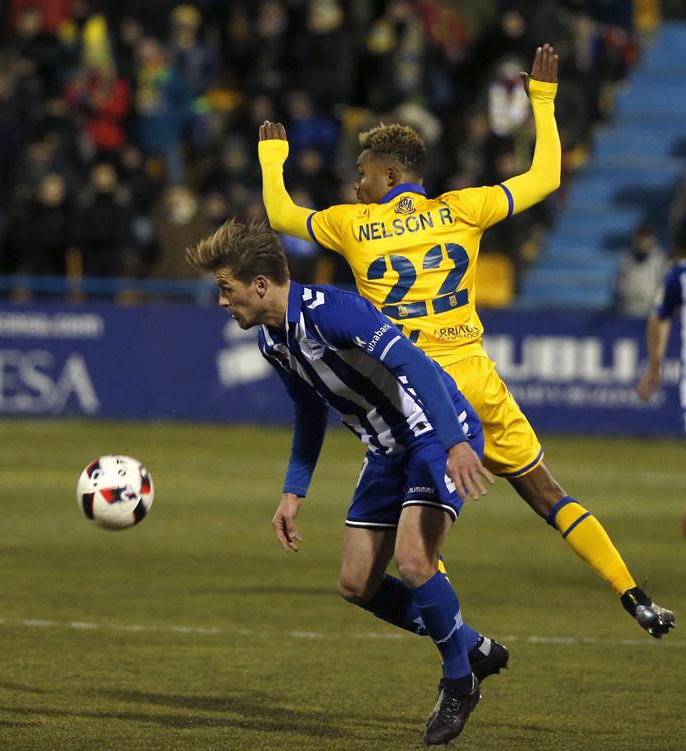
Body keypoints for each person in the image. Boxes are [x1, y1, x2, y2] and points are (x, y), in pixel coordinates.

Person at [257, 44, 676, 638]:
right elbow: (548, 176)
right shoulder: (464, 208)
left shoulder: (351, 226)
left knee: (417, 526)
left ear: (392, 176)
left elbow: (278, 212)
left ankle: (462, 643)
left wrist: (272, 158)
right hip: (476, 376)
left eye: (365, 172)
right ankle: (632, 595)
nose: (356, 181)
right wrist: (544, 101)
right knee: (546, 492)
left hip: (415, 390)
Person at [187, 218, 502, 746]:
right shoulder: (272, 339)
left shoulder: (333, 312)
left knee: (415, 561)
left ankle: (458, 680)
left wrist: (455, 443)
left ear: (259, 285)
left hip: (431, 433)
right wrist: (294, 490)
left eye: (227, 289)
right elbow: (308, 411)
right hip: (384, 450)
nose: (222, 301)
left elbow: (417, 366)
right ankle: (470, 645)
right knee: (357, 585)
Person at [636, 243, 686, 432]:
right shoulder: (679, 274)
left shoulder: (680, 274)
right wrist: (655, 367)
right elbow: (659, 317)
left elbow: (659, 317)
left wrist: (655, 367)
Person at [615, 223, 666, 316]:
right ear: (635, 240)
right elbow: (619, 288)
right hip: (628, 311)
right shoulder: (625, 261)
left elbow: (663, 290)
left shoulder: (659, 261)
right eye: (641, 240)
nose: (643, 244)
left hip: (650, 313)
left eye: (647, 240)